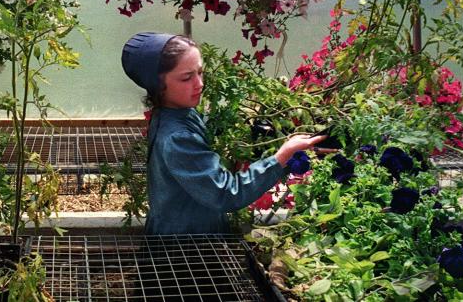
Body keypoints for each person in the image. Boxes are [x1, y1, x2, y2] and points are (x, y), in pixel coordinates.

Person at [121, 32, 325, 234]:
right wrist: (282, 156)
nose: (199, 84)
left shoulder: (175, 112)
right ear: (158, 86)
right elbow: (226, 193)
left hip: (187, 230)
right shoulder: (177, 137)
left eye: (200, 72)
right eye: (186, 78)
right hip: (185, 246)